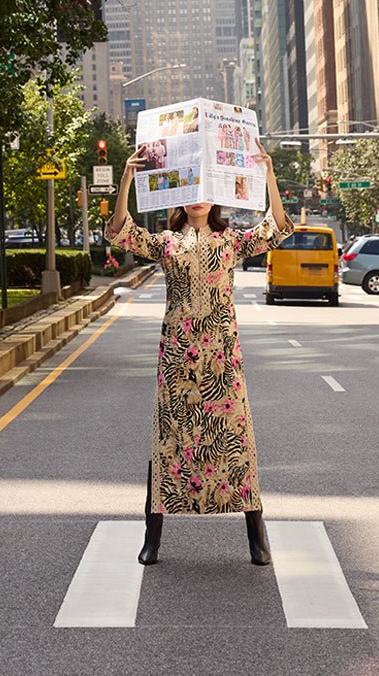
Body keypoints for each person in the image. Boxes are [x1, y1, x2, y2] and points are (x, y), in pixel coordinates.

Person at [106, 138, 293, 566]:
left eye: (206, 194)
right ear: (180, 199)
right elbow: (120, 231)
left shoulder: (230, 241)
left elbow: (276, 229)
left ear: (216, 201)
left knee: (235, 439)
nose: (198, 201)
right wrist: (127, 180)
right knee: (167, 441)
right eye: (191, 193)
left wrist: (268, 175)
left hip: (222, 357)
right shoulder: (167, 242)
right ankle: (152, 537)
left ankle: (256, 536)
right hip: (176, 356)